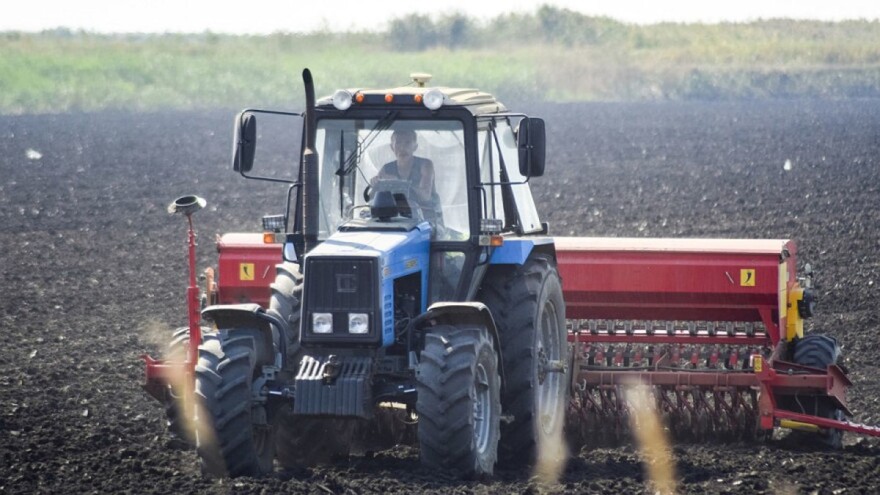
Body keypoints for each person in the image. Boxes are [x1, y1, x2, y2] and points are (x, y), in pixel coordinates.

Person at [373, 129, 441, 222]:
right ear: (392, 147)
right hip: (397, 220)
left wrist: (398, 183)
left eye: (407, 143)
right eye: (398, 143)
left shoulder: (425, 165)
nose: (402, 148)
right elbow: (373, 199)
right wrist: (375, 185)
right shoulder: (386, 169)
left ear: (415, 147)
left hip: (428, 221)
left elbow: (425, 196)